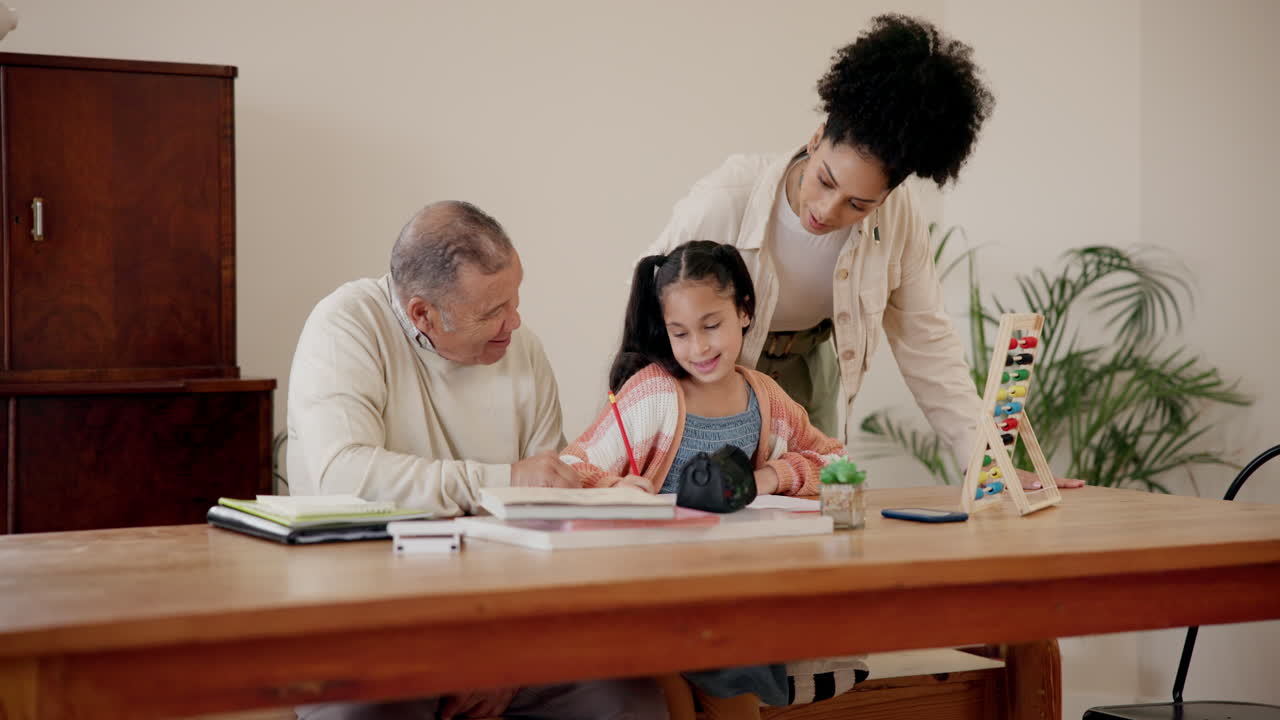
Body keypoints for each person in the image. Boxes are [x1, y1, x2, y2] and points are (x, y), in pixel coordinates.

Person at [644, 14, 1083, 489]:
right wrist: (640, 426)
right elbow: (647, 307)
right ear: (815, 139)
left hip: (810, 369)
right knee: (708, 503)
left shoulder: (898, 219)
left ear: (888, 196)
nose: (827, 210)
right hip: (708, 368)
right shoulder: (727, 197)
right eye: (825, 180)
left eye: (859, 203)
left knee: (811, 507)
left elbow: (927, 341)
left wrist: (986, 461)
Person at [287, 200, 668, 720]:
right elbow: (345, 478)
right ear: (422, 312)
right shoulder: (348, 326)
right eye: (492, 311)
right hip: (365, 629)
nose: (514, 321)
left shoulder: (520, 347)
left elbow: (548, 516)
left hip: (501, 630)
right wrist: (506, 480)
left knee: (629, 701)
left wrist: (508, 661)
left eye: (514, 299)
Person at [561, 240, 847, 719]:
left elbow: (837, 464)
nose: (698, 348)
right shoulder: (652, 394)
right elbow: (570, 469)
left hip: (729, 613)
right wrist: (615, 487)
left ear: (745, 312)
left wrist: (770, 477)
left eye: (711, 326)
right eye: (680, 333)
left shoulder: (767, 399)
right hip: (652, 609)